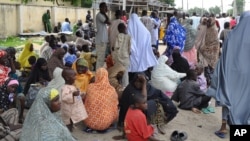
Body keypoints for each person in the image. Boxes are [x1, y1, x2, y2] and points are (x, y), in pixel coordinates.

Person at [206, 11, 250, 137]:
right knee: (245, 100)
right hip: (247, 77)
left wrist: (221, 72)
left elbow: (224, 56)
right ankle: (242, 130)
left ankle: (224, 127)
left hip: (231, 73)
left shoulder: (231, 36)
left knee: (228, 97)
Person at [112, 23, 131, 87]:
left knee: (117, 73)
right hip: (126, 58)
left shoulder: (118, 36)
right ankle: (125, 87)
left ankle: (117, 86)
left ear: (118, 30)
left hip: (118, 57)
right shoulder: (129, 36)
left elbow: (115, 47)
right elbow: (130, 49)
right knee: (125, 74)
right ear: (125, 28)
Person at [95, 2, 110, 69]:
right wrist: (105, 13)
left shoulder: (102, 15)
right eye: (104, 7)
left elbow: (108, 22)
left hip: (103, 40)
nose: (106, 8)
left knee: (101, 59)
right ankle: (98, 74)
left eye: (106, 7)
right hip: (100, 40)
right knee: (100, 59)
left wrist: (105, 13)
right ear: (100, 8)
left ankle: (99, 74)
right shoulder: (99, 15)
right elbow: (108, 22)